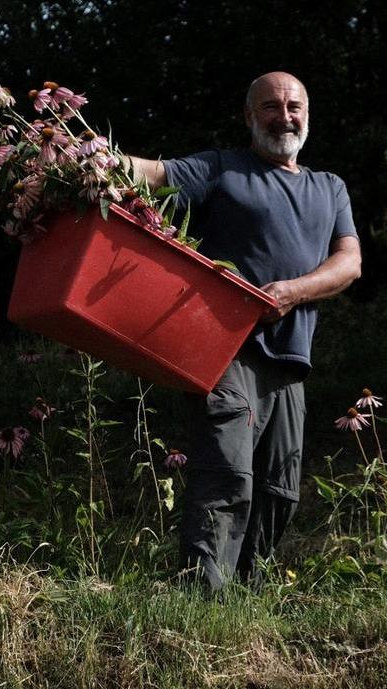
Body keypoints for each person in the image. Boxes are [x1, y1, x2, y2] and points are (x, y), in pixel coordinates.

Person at [124, 71, 362, 591]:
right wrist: (91, 158)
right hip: (224, 349)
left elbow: (349, 262)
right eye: (271, 107)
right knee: (226, 474)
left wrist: (294, 291)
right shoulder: (222, 169)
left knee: (281, 490)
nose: (284, 116)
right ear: (249, 116)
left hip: (290, 360)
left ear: (307, 114)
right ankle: (202, 600)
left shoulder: (330, 187)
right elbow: (155, 174)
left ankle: (246, 602)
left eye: (294, 106)